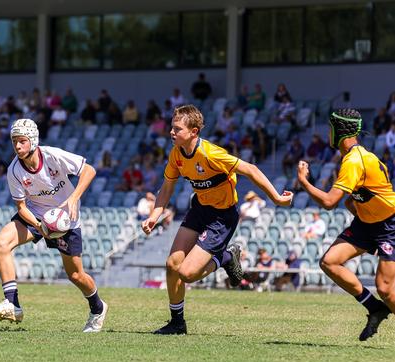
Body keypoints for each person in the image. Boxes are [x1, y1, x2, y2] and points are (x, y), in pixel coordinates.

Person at [141, 105, 293, 335]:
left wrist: (276, 198)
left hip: (222, 217)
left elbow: (250, 170)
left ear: (194, 132)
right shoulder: (176, 154)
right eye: (171, 127)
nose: (171, 132)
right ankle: (177, 323)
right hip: (200, 209)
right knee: (172, 265)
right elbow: (167, 187)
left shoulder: (211, 153)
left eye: (177, 129)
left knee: (187, 274)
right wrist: (154, 215)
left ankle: (227, 257)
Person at [0, 119, 108, 332]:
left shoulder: (52, 155)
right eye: (14, 141)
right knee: (1, 242)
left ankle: (98, 307)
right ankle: (12, 304)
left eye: (22, 141)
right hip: (36, 215)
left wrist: (73, 199)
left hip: (65, 220)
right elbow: (21, 207)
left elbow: (89, 170)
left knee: (76, 276)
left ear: (33, 140)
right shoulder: (14, 170)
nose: (18, 146)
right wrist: (40, 225)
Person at [297, 108, 395, 341]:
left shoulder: (353, 161)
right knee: (329, 262)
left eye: (330, 128)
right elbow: (360, 196)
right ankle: (375, 308)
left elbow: (330, 202)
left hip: (389, 226)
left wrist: (304, 182)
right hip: (366, 224)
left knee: (386, 288)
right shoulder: (355, 157)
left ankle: (381, 303)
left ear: (338, 131)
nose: (328, 133)